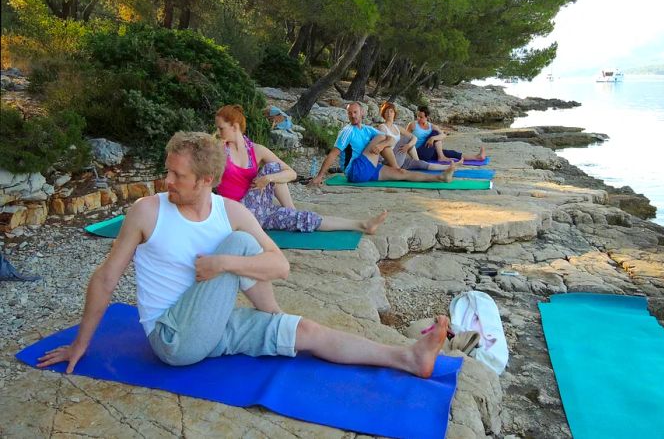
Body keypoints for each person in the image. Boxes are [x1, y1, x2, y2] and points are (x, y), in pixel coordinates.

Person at [37, 131, 449, 377]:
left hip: (211, 321)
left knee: (303, 330)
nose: (167, 181)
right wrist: (80, 344)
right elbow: (106, 277)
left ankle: (408, 358)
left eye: (176, 175)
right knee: (240, 246)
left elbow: (280, 266)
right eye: (168, 170)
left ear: (206, 180)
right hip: (173, 337)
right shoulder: (147, 211)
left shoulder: (229, 211)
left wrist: (222, 265)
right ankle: (271, 317)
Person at [215, 105, 387, 234]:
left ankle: (362, 225)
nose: (217, 132)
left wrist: (268, 179)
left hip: (259, 211)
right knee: (272, 169)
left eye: (221, 128)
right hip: (236, 213)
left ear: (235, 127)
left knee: (304, 214)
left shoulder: (256, 150)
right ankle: (292, 212)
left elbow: (292, 173)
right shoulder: (218, 150)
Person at [309, 102, 456, 187]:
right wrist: (320, 176)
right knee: (380, 136)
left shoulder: (367, 129)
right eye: (350, 113)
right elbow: (334, 153)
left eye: (355, 112)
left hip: (370, 167)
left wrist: (382, 145)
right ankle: (396, 166)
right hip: (356, 170)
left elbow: (391, 140)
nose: (352, 116)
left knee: (402, 173)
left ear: (362, 113)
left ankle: (441, 177)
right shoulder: (347, 131)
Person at [377, 102, 463, 172]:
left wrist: (408, 145)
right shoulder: (382, 127)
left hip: (400, 159)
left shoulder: (397, 127)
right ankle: (418, 160)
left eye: (391, 111)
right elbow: (384, 146)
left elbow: (414, 138)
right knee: (406, 138)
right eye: (386, 111)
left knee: (421, 164)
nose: (389, 113)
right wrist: (408, 144)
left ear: (394, 114)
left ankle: (449, 167)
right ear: (383, 114)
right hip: (390, 161)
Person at [407, 105, 485, 163]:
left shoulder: (432, 126)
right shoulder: (413, 125)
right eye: (418, 116)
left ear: (427, 117)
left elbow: (443, 135)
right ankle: (441, 157)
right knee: (435, 133)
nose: (418, 119)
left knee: (451, 153)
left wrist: (432, 138)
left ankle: (477, 157)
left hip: (429, 151)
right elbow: (404, 137)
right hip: (418, 153)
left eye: (421, 117)